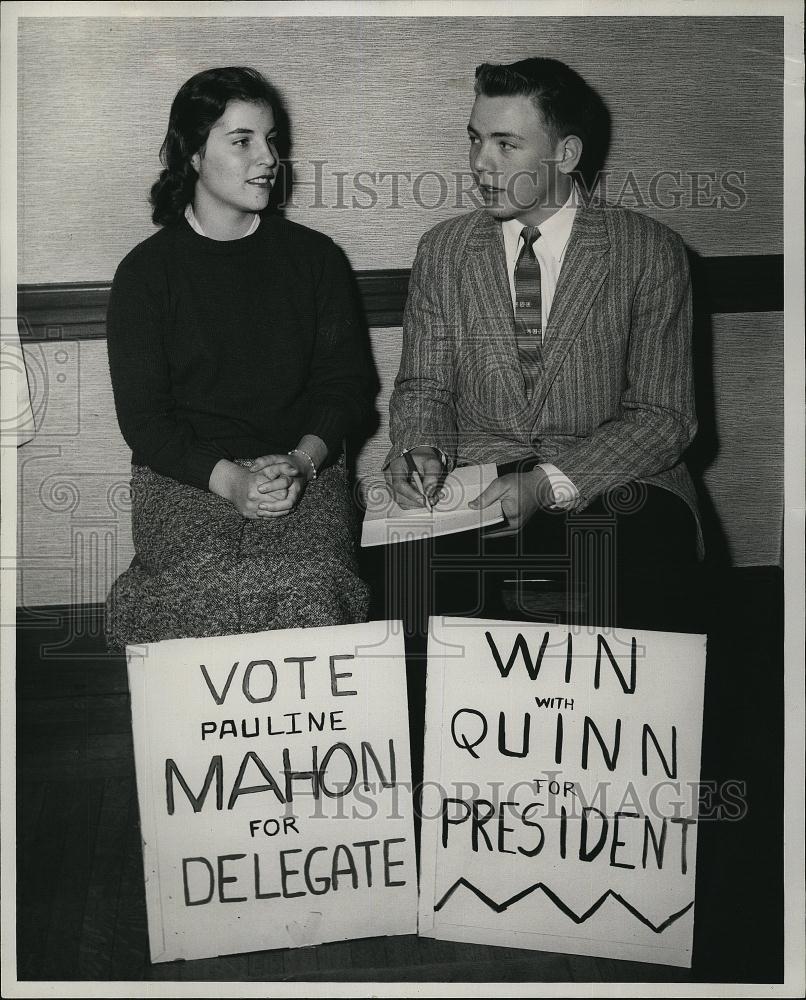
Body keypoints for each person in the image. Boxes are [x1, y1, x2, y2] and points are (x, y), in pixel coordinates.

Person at [384, 57, 703, 635]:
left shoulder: (649, 251)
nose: (480, 163)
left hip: (616, 479)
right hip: (477, 478)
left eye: (507, 144)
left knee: (651, 565)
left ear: (567, 155)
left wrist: (548, 481)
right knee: (406, 578)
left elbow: (664, 418)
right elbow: (423, 388)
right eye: (476, 139)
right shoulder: (443, 250)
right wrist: (422, 449)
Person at [105, 66, 372, 650]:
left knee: (308, 591)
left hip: (300, 466)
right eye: (243, 140)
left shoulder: (315, 259)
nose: (268, 158)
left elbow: (345, 387)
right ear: (194, 154)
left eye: (271, 139)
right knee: (197, 594)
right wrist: (227, 480)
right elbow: (146, 423)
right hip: (185, 474)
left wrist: (302, 462)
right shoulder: (146, 275)